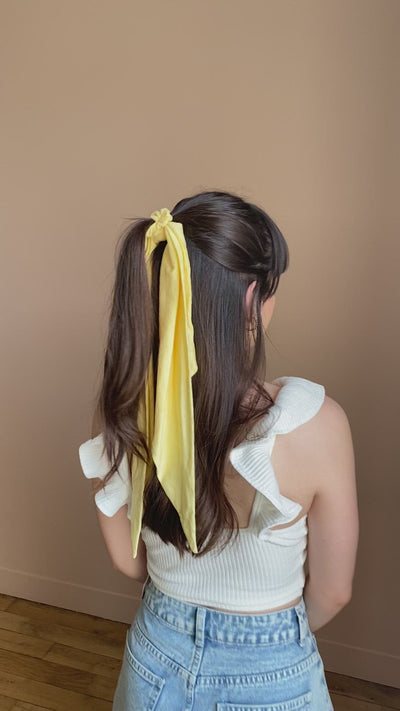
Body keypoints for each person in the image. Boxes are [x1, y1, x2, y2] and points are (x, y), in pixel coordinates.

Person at [78, 190, 359, 710]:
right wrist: (271, 636)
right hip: (273, 671)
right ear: (252, 301)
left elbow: (128, 561)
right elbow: (333, 592)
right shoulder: (317, 425)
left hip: (154, 657)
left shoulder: (122, 414)